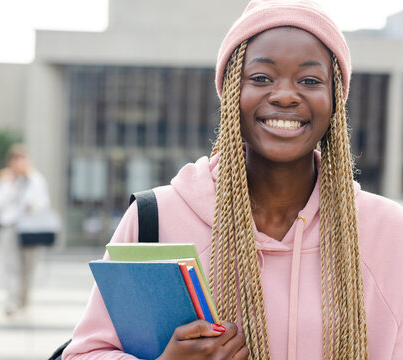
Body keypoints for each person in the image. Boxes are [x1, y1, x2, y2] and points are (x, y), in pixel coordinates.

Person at [63, 0, 403, 359]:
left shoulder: (387, 231)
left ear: (335, 99)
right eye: (260, 78)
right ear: (229, 94)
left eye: (309, 80)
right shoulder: (157, 218)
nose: (285, 95)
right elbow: (85, 353)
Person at [0, 144, 51, 316]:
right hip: (9, 227)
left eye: (22, 160)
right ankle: (11, 300)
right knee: (10, 266)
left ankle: (24, 298)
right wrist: (11, 186)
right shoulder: (3, 179)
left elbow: (44, 203)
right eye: (15, 160)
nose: (19, 164)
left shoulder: (36, 180)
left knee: (29, 267)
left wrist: (32, 205)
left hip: (31, 229)